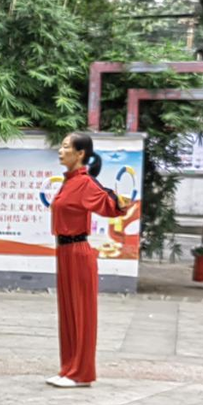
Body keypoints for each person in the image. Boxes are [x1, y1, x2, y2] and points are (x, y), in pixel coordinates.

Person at [47, 132, 126, 389]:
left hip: (78, 253)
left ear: (80, 154)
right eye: (61, 146)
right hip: (64, 252)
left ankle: (82, 373)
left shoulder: (84, 182)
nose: (61, 151)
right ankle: (68, 369)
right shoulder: (68, 182)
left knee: (81, 315)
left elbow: (111, 204)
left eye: (66, 146)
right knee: (67, 314)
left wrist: (118, 200)